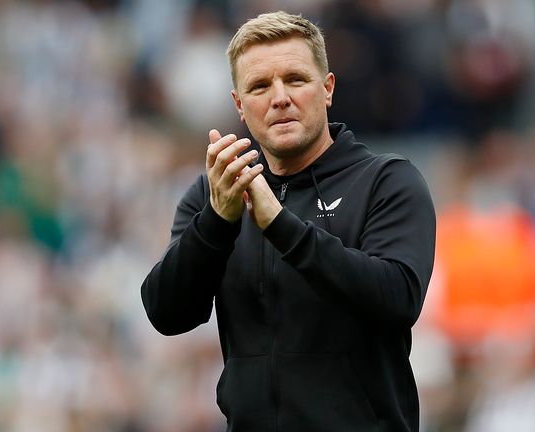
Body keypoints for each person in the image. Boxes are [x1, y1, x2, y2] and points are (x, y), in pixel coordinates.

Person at [141, 10, 435, 431]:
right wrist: (217, 222)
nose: (279, 98)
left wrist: (280, 225)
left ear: (327, 89)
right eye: (260, 86)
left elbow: (397, 299)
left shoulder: (387, 180)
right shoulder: (217, 191)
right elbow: (167, 313)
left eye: (295, 79)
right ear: (240, 106)